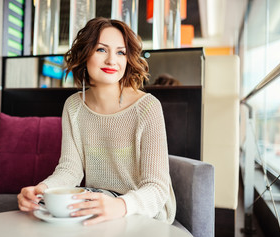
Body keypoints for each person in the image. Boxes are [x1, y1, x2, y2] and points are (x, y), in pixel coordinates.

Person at [18, 17, 176, 226]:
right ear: (85, 54)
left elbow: (156, 187)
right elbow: (70, 169)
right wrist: (42, 191)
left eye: (121, 52)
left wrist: (120, 205)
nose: (112, 60)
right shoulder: (73, 106)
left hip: (145, 208)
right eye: (102, 50)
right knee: (43, 216)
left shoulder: (147, 108)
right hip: (100, 199)